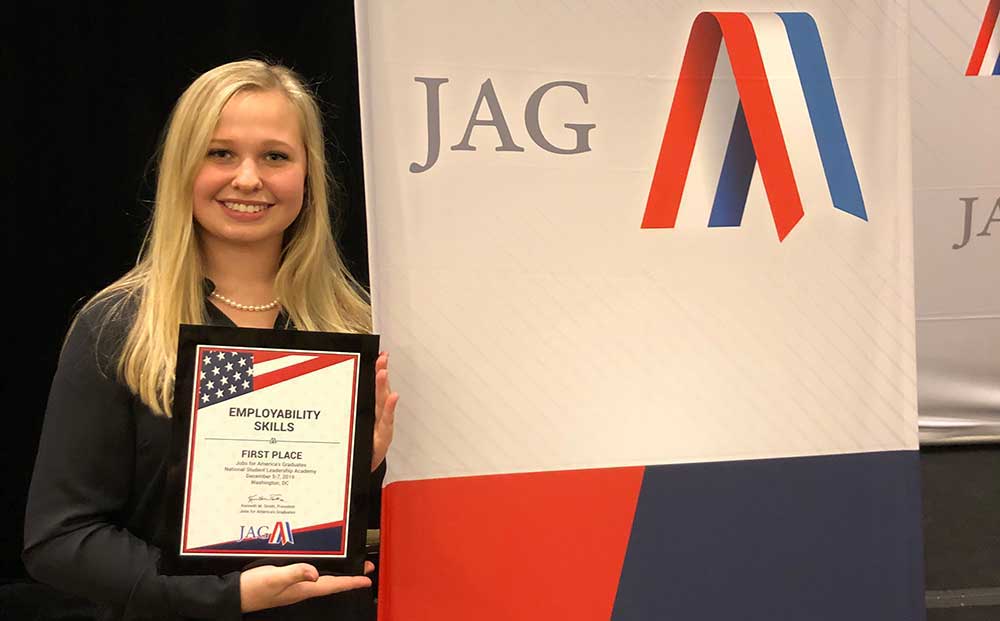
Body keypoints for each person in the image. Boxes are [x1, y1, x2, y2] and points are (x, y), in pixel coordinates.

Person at [23, 59, 399, 620]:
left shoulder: (359, 329)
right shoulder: (119, 328)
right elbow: (60, 539)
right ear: (183, 167)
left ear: (308, 175)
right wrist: (224, 596)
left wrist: (357, 472)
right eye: (220, 153)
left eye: (275, 156)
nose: (248, 178)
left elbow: (393, 540)